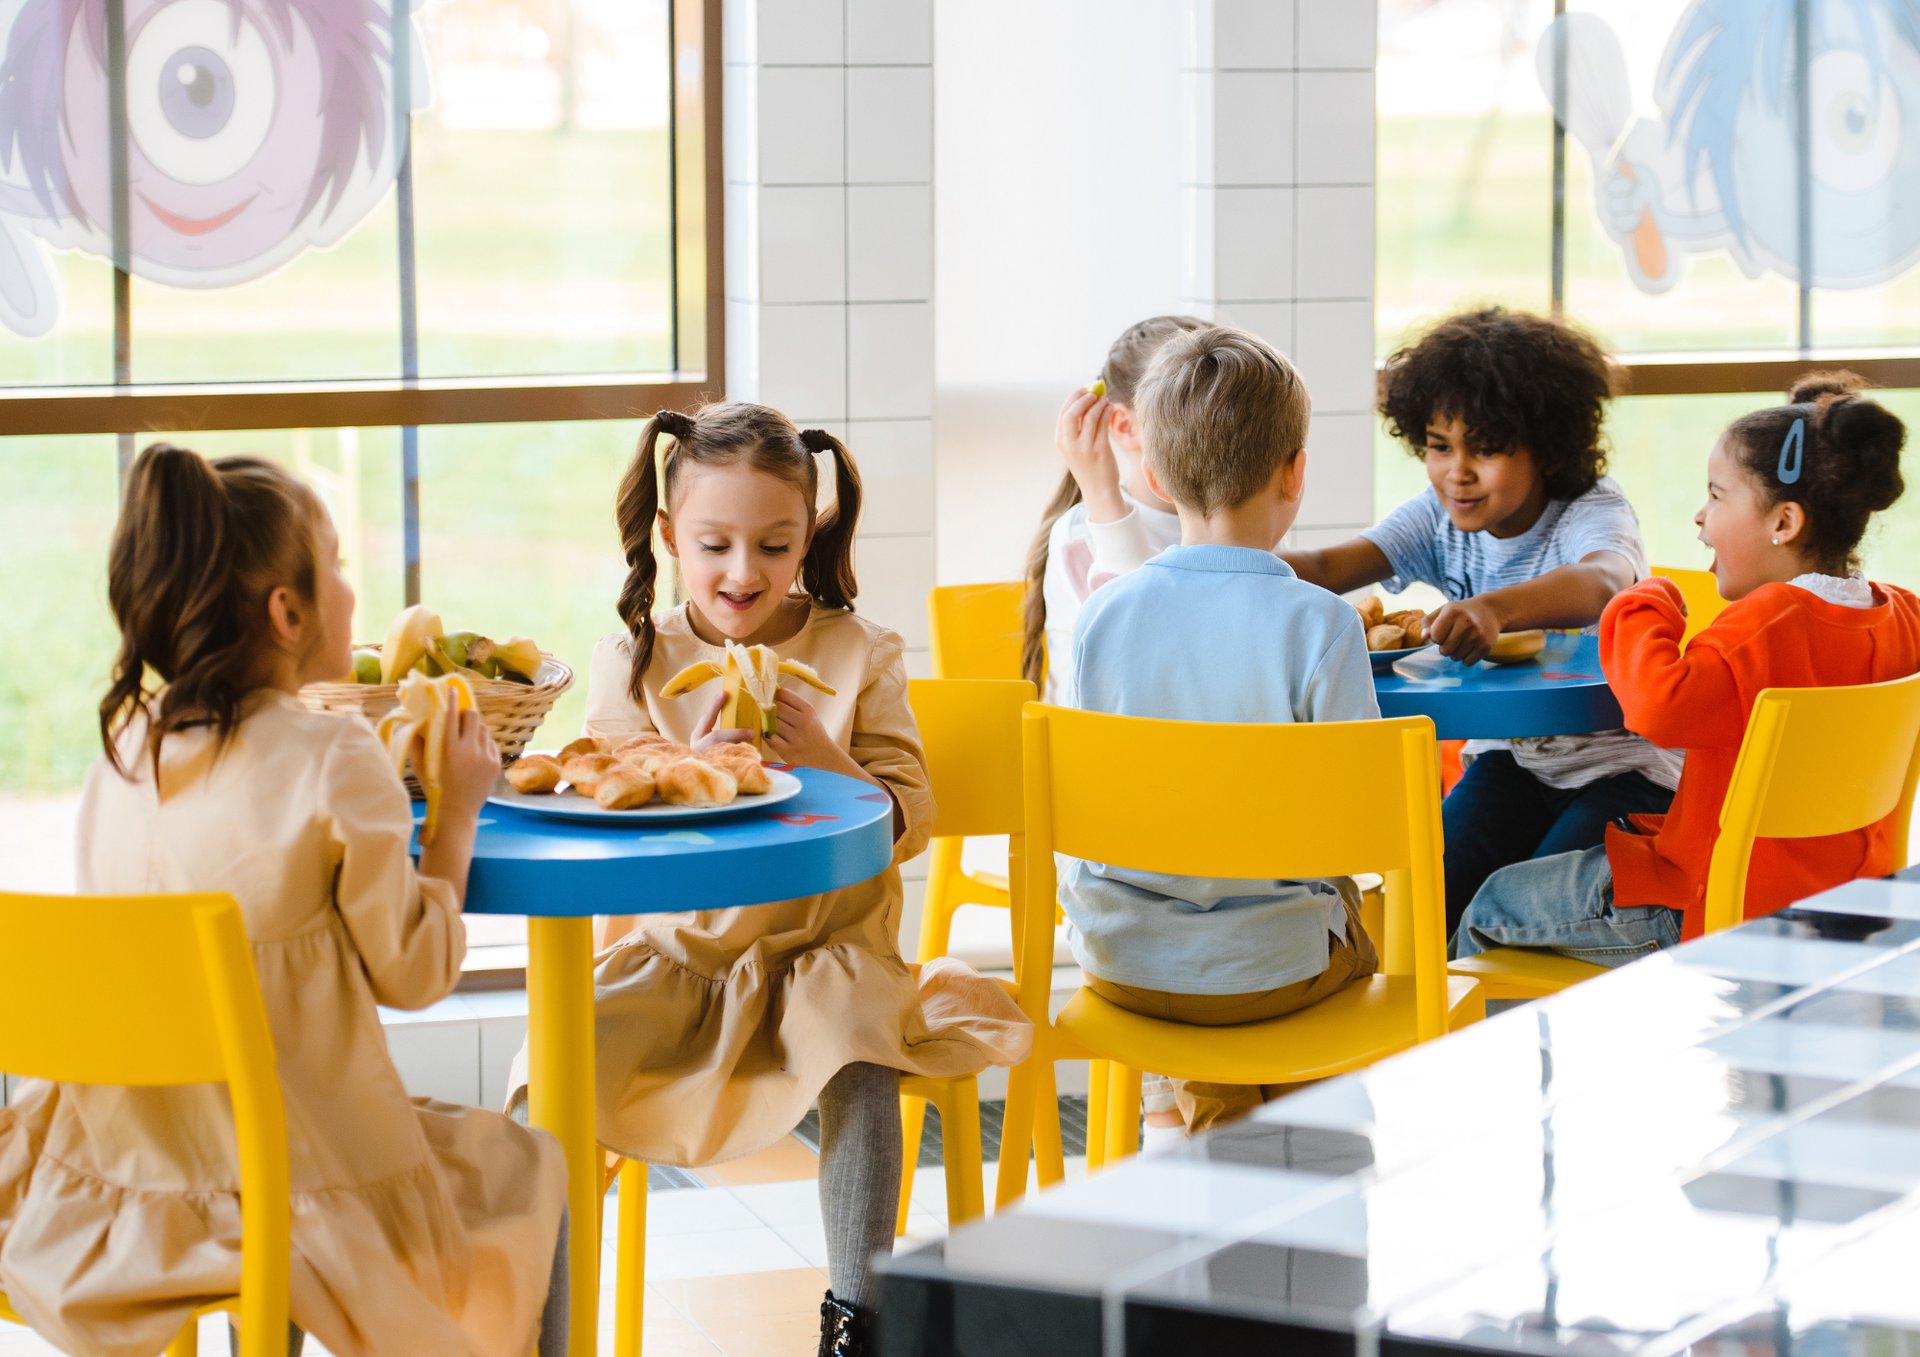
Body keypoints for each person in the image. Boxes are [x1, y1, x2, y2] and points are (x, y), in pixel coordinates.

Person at [0, 444, 569, 1357]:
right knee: (531, 1165)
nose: (352, 585)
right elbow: (416, 973)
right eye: (338, 563)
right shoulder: (335, 758)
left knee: (274, 1131)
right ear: (288, 611)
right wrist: (455, 811)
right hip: (292, 1186)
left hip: (128, 1178)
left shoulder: (122, 752)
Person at [506, 404, 1029, 1355]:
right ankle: (543, 1332)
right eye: (715, 545)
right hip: (683, 958)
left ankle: (858, 1321)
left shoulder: (858, 651)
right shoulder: (635, 660)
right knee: (549, 1073)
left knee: (859, 1062)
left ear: (808, 540)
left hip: (827, 955)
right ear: (669, 537)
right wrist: (677, 769)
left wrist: (829, 755)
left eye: (773, 544)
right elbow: (607, 832)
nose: (743, 572)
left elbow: (909, 820)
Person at [1455, 373, 1920, 962]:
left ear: (1784, 523)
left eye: (1718, 496)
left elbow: (1659, 706)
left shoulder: (1764, 625)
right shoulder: (1903, 615)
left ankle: (1459, 1053)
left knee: (1494, 900)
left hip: (1712, 902)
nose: (1700, 518)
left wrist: (1640, 600)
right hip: (1842, 896)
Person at [1063, 325, 1379, 1137]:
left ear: (1158, 477)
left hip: (1123, 960)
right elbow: (1361, 837)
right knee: (1334, 928)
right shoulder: (1323, 624)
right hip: (1271, 972)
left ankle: (1218, 1134)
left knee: (1227, 935)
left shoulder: (1104, 617)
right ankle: (1290, 1166)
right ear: (1295, 472)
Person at [1277, 306, 1678, 932]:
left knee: (1525, 912)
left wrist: (1496, 606)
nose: (1456, 472)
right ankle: (1438, 1025)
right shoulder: (1437, 517)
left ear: (1545, 448)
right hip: (1511, 761)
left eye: (1485, 449)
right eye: (1439, 447)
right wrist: (1224, 560)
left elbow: (1605, 580)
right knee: (1428, 898)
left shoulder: (1590, 510)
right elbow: (1330, 564)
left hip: (1624, 773)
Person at [1022, 314, 1207, 699]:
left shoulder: (1246, 515)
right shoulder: (1081, 533)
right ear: (1125, 427)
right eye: (1185, 401)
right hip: (1100, 748)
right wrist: (1101, 494)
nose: (1215, 421)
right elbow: (1148, 650)